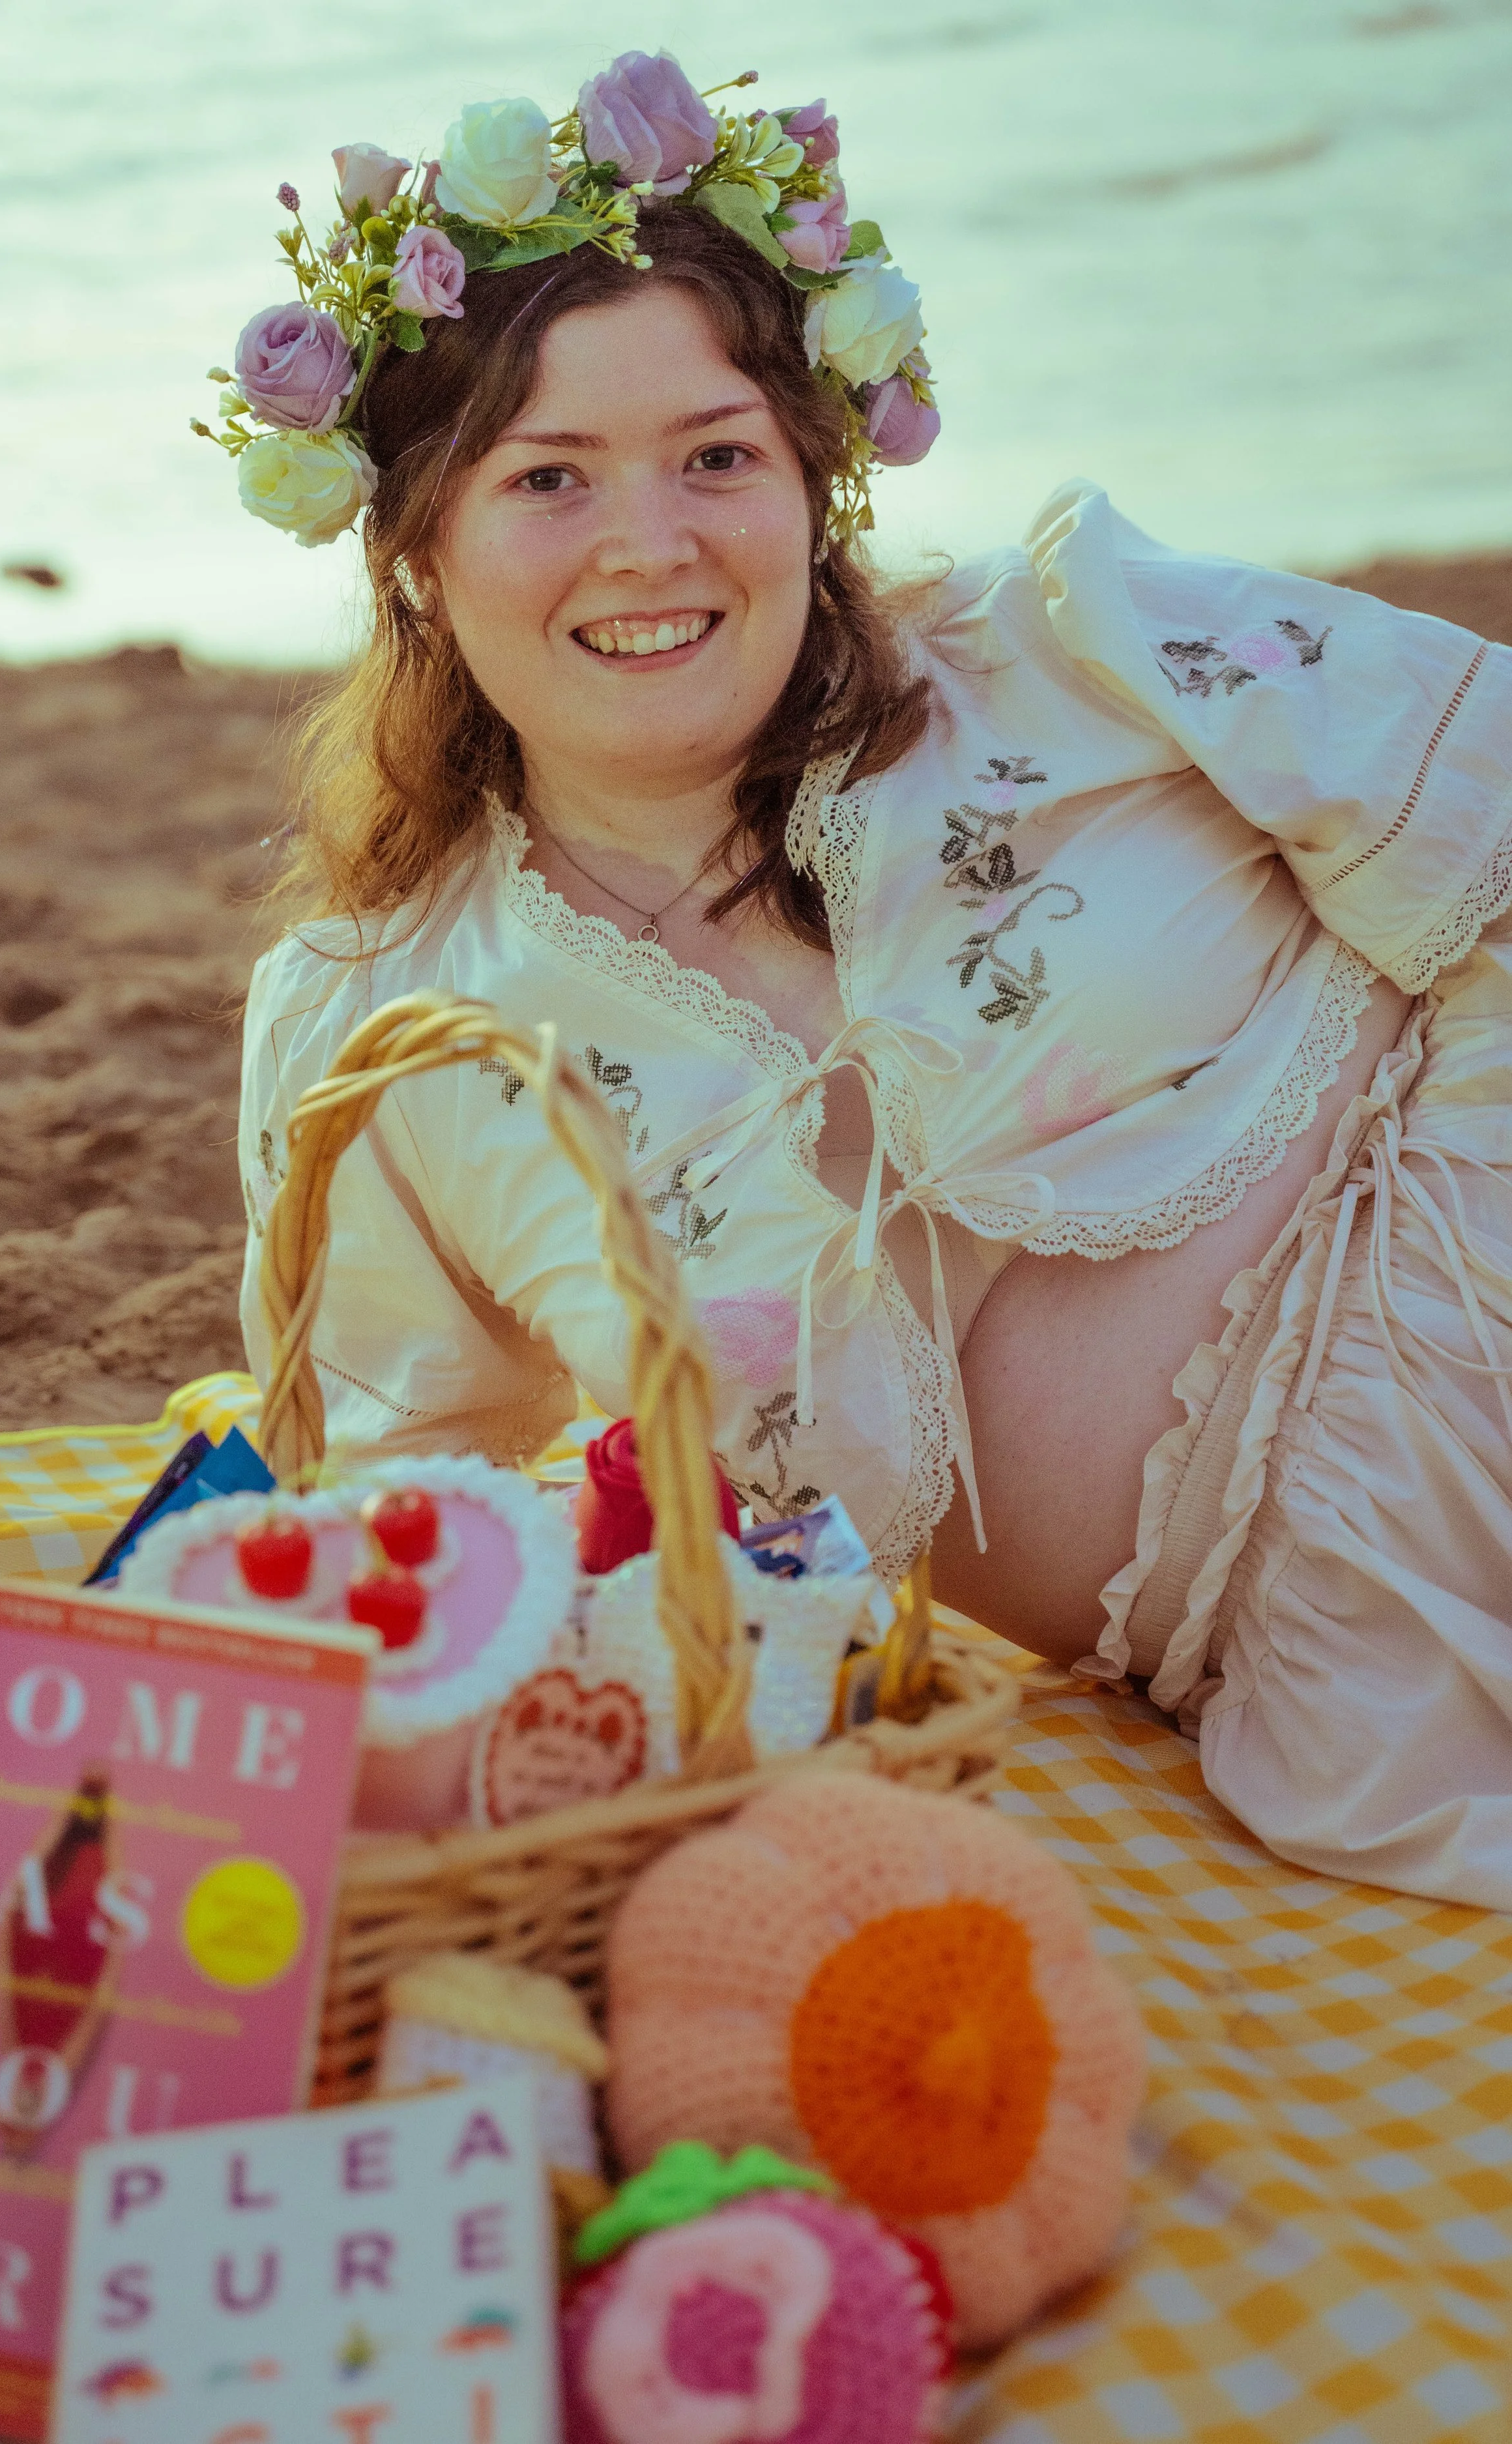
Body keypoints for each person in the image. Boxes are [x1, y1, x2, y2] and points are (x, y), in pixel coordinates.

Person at [220, 55, 1512, 1908]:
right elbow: (416, 1520)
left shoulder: (1075, 648)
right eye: (547, 477)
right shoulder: (383, 1027)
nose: (649, 541)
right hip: (1320, 1686)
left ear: (815, 480)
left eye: (716, 453)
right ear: (419, 547)